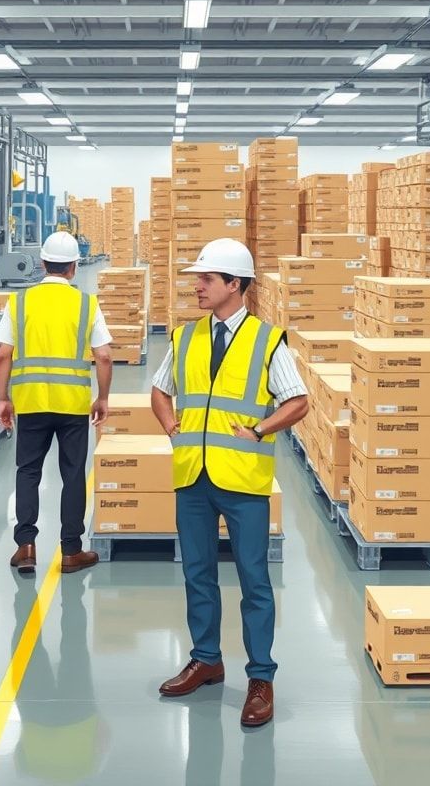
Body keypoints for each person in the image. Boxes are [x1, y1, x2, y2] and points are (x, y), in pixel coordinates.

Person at [150, 238, 309, 728]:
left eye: (207, 279)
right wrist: (174, 431)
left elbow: (298, 400)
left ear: (234, 285)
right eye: (198, 278)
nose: (197, 286)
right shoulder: (185, 338)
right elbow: (160, 389)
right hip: (192, 478)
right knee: (197, 574)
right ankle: (207, 659)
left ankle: (260, 677)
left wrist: (259, 429)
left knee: (254, 582)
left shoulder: (267, 340)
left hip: (243, 480)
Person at [0, 231, 114, 576]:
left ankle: (26, 546)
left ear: (42, 263)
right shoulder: (86, 304)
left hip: (31, 402)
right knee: (73, 475)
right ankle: (72, 551)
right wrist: (102, 397)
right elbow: (103, 356)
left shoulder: (19, 302)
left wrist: (3, 398)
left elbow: (3, 354)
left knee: (28, 472)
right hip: (73, 404)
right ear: (75, 267)